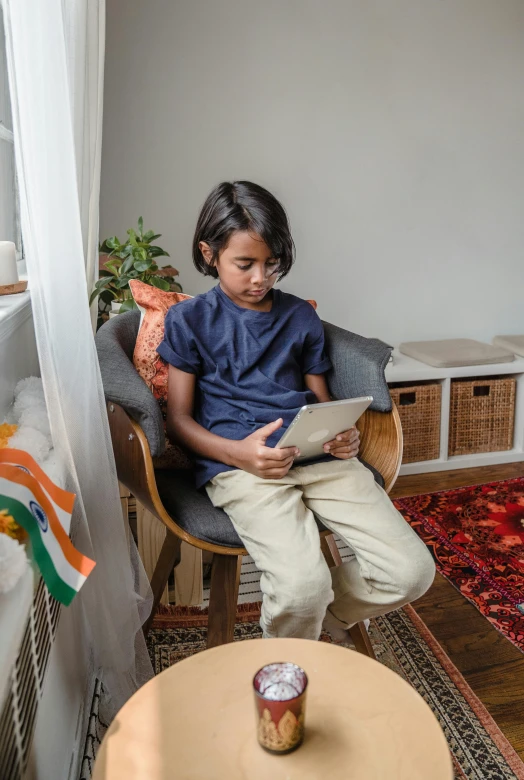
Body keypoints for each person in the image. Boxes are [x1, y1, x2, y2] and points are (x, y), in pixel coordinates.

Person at [158, 180, 435, 641]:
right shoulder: (189, 321)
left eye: (272, 264)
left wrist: (341, 431)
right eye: (244, 264)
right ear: (209, 254)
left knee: (411, 572)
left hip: (318, 457)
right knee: (302, 586)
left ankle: (321, 618)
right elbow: (178, 421)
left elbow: (321, 400)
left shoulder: (300, 316)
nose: (260, 278)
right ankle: (284, 673)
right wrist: (237, 455)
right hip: (242, 467)